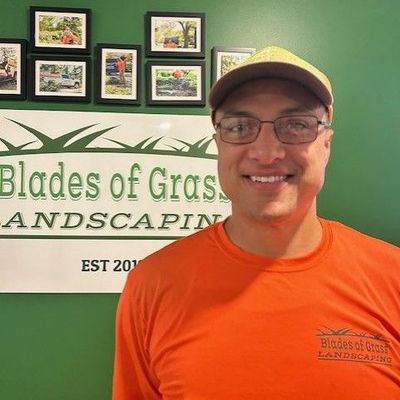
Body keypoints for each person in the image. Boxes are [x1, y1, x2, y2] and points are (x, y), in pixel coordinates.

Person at [112, 46, 400, 399]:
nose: (267, 153)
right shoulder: (152, 284)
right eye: (239, 126)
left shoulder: (392, 277)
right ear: (218, 142)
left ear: (326, 144)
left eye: (296, 125)